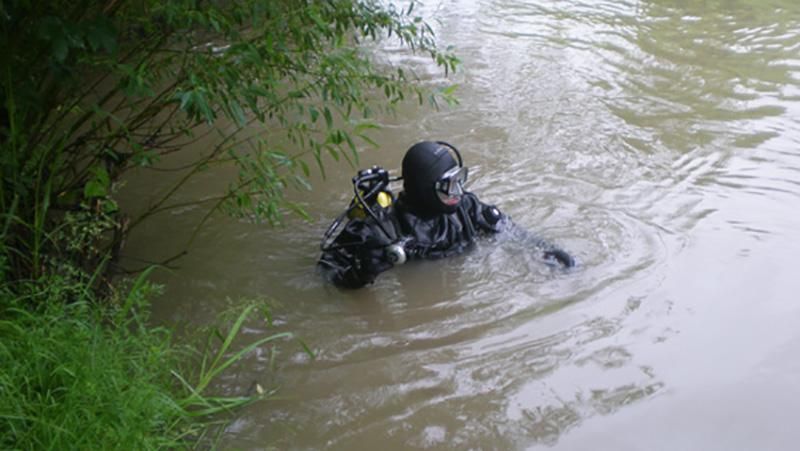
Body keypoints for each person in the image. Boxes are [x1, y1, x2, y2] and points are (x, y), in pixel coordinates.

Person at [318, 141, 574, 289]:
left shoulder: (466, 208)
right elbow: (324, 275)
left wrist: (543, 249)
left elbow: (507, 231)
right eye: (449, 185)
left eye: (459, 180)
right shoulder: (380, 230)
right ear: (423, 188)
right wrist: (360, 275)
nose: (458, 192)